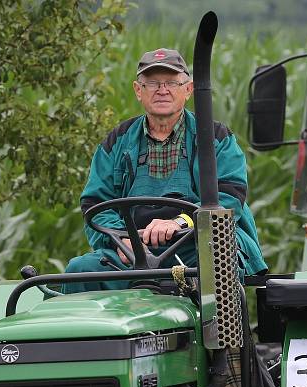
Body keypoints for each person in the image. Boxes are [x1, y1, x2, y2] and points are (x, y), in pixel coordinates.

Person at [63, 48, 267, 293]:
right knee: (80, 270)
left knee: (220, 264)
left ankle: (220, 332)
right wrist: (123, 239)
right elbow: (95, 203)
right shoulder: (117, 142)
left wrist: (179, 223)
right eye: (152, 83)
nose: (162, 90)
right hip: (133, 252)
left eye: (171, 82)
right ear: (138, 91)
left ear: (189, 89)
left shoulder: (216, 138)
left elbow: (230, 197)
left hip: (199, 245)